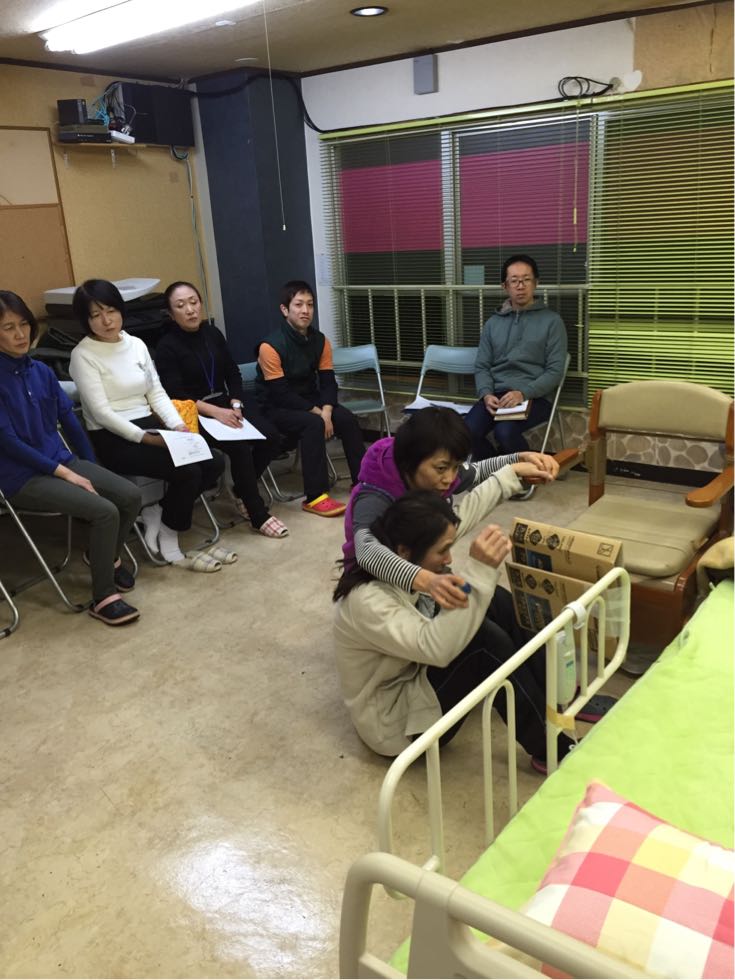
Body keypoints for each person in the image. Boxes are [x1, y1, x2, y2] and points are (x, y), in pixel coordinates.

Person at [333, 491, 574, 770]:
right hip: (397, 726)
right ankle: (549, 747)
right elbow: (435, 649)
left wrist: (511, 476)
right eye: (442, 550)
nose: (449, 559)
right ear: (403, 552)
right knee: (484, 643)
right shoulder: (368, 601)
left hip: (416, 675)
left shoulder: (410, 571)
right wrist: (479, 570)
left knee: (493, 599)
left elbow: (471, 506)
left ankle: (552, 697)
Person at [0, 290, 142, 626]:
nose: (20, 334)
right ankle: (103, 597)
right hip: (20, 476)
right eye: (8, 328)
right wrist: (66, 474)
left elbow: (70, 422)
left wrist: (91, 466)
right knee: (105, 511)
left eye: (24, 324)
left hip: (60, 461)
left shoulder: (41, 371)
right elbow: (8, 442)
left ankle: (103, 556)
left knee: (129, 496)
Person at [69, 279, 227, 572]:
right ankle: (170, 537)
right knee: (188, 471)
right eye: (96, 315)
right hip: (114, 437)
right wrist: (146, 438)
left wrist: (178, 427)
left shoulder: (136, 344)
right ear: (85, 320)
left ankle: (161, 514)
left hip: (151, 426)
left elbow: (156, 393)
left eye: (111, 311)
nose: (106, 320)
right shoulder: (83, 355)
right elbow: (101, 413)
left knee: (213, 461)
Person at [343, 405, 558, 610]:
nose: (450, 478)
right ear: (410, 461)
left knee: (497, 601)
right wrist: (428, 582)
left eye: (455, 467)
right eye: (441, 468)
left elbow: (474, 471)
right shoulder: (375, 494)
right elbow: (366, 551)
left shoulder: (436, 473)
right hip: (379, 583)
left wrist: (518, 458)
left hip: (424, 568)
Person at [154, 281, 288, 538]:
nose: (190, 310)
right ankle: (257, 514)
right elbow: (175, 393)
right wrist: (215, 413)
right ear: (171, 314)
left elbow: (232, 372)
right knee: (239, 448)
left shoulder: (212, 334)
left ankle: (241, 489)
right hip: (194, 412)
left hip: (226, 402)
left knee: (271, 437)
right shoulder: (167, 346)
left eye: (194, 302)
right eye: (181, 306)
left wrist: (235, 403)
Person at [256, 280, 365, 518]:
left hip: (310, 399)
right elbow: (280, 393)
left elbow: (328, 381)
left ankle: (362, 482)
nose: (305, 310)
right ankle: (315, 496)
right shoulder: (269, 346)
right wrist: (318, 414)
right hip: (276, 406)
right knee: (313, 423)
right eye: (298, 305)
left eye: (310, 304)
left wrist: (327, 411)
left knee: (347, 419)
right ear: (285, 309)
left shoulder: (320, 340)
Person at [465, 254, 568, 459]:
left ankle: (525, 473)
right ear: (505, 286)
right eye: (514, 281)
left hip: (535, 397)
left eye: (526, 279)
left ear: (536, 283)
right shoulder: (493, 323)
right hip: (497, 395)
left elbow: (555, 371)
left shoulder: (552, 322)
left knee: (505, 432)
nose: (520, 286)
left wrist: (523, 393)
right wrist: (486, 394)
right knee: (466, 432)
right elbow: (482, 365)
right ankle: (496, 469)